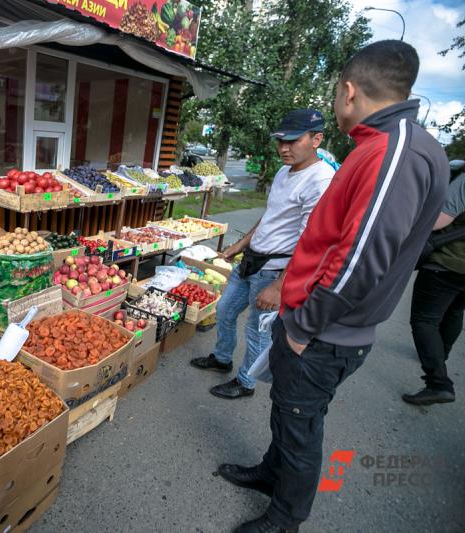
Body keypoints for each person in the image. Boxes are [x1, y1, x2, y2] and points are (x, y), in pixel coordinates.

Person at [218, 40, 448, 533]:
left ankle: (285, 518)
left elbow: (363, 256)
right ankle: (269, 474)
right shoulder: (389, 145)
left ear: (348, 91)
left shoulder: (393, 152)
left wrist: (305, 324)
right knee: (287, 412)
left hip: (324, 331)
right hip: (318, 322)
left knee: (301, 424)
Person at [190, 109, 334, 399]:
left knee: (257, 330)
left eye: (292, 141)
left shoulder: (321, 180)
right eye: (280, 141)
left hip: (273, 269)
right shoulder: (284, 170)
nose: (284, 148)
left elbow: (310, 243)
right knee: (225, 310)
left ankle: (246, 383)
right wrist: (238, 246)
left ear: (316, 139)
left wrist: (279, 287)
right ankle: (222, 358)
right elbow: (270, 216)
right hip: (252, 259)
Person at [403, 169, 465, 405]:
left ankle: (438, 382)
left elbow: (439, 220)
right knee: (454, 311)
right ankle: (439, 354)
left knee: (424, 321)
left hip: (447, 262)